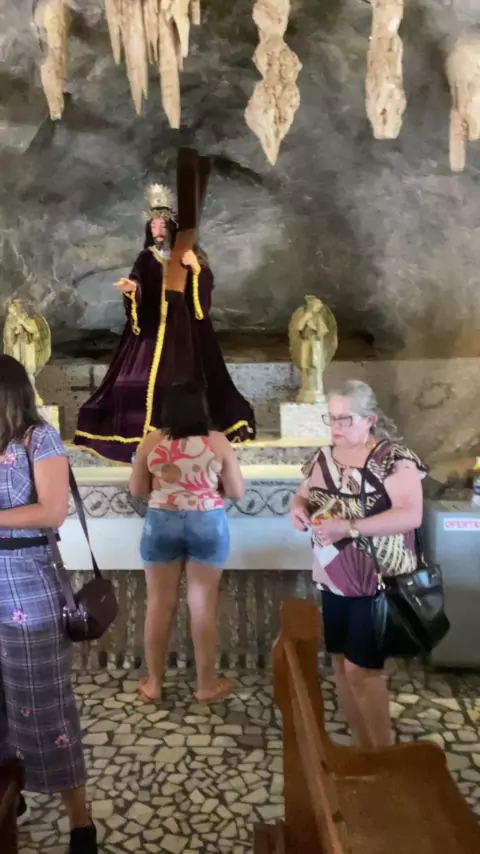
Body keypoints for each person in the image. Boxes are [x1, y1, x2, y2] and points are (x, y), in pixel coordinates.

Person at [74, 183, 256, 463]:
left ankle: (185, 431)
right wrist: (132, 290)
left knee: (188, 380)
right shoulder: (146, 258)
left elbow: (203, 290)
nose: (158, 230)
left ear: (171, 227)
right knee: (130, 382)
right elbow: (138, 280)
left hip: (184, 332)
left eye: (162, 225)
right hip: (150, 331)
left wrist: (196, 269)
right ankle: (143, 434)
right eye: (153, 226)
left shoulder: (188, 255)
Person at [290, 380, 426, 748]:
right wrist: (297, 510)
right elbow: (303, 495)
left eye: (345, 419)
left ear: (368, 420)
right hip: (334, 576)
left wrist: (348, 527)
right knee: (339, 662)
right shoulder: (322, 457)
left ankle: (383, 756)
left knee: (361, 670)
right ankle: (361, 745)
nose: (335, 427)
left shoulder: (392, 460)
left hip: (375, 579)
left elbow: (410, 515)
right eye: (331, 418)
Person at [0, 355, 96, 854]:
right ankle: (8, 797)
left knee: (45, 705)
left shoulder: (39, 440)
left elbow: (52, 510)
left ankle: (80, 822)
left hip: (26, 585)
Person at [130, 381, 244, 705]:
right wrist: (208, 489)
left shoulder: (151, 441)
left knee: (158, 604)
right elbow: (236, 491)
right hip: (207, 522)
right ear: (202, 409)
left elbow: (137, 489)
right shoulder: (218, 441)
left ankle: (153, 684)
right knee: (202, 605)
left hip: (161, 522)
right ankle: (206, 686)